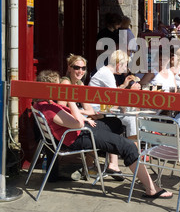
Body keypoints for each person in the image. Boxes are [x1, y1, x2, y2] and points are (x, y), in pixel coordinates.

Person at [34, 70, 172, 200]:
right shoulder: (49, 109)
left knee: (115, 123)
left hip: (79, 132)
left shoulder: (42, 104)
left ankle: (114, 156)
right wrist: (70, 99)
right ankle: (151, 189)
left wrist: (85, 117)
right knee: (128, 146)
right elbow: (78, 124)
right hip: (78, 136)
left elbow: (70, 117)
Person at [58, 54, 124, 180]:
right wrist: (84, 116)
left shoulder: (79, 84)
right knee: (112, 126)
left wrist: (86, 114)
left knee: (115, 123)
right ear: (69, 68)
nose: (80, 71)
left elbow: (88, 108)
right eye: (77, 67)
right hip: (70, 126)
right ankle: (95, 165)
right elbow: (62, 109)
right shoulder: (65, 83)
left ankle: (100, 165)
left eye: (83, 68)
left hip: (80, 121)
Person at [89, 50, 141, 138]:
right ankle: (133, 148)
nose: (126, 69)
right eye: (125, 66)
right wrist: (132, 91)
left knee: (132, 116)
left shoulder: (105, 71)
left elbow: (114, 94)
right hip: (98, 112)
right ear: (118, 65)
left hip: (99, 109)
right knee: (132, 119)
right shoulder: (107, 74)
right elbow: (116, 99)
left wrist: (124, 85)